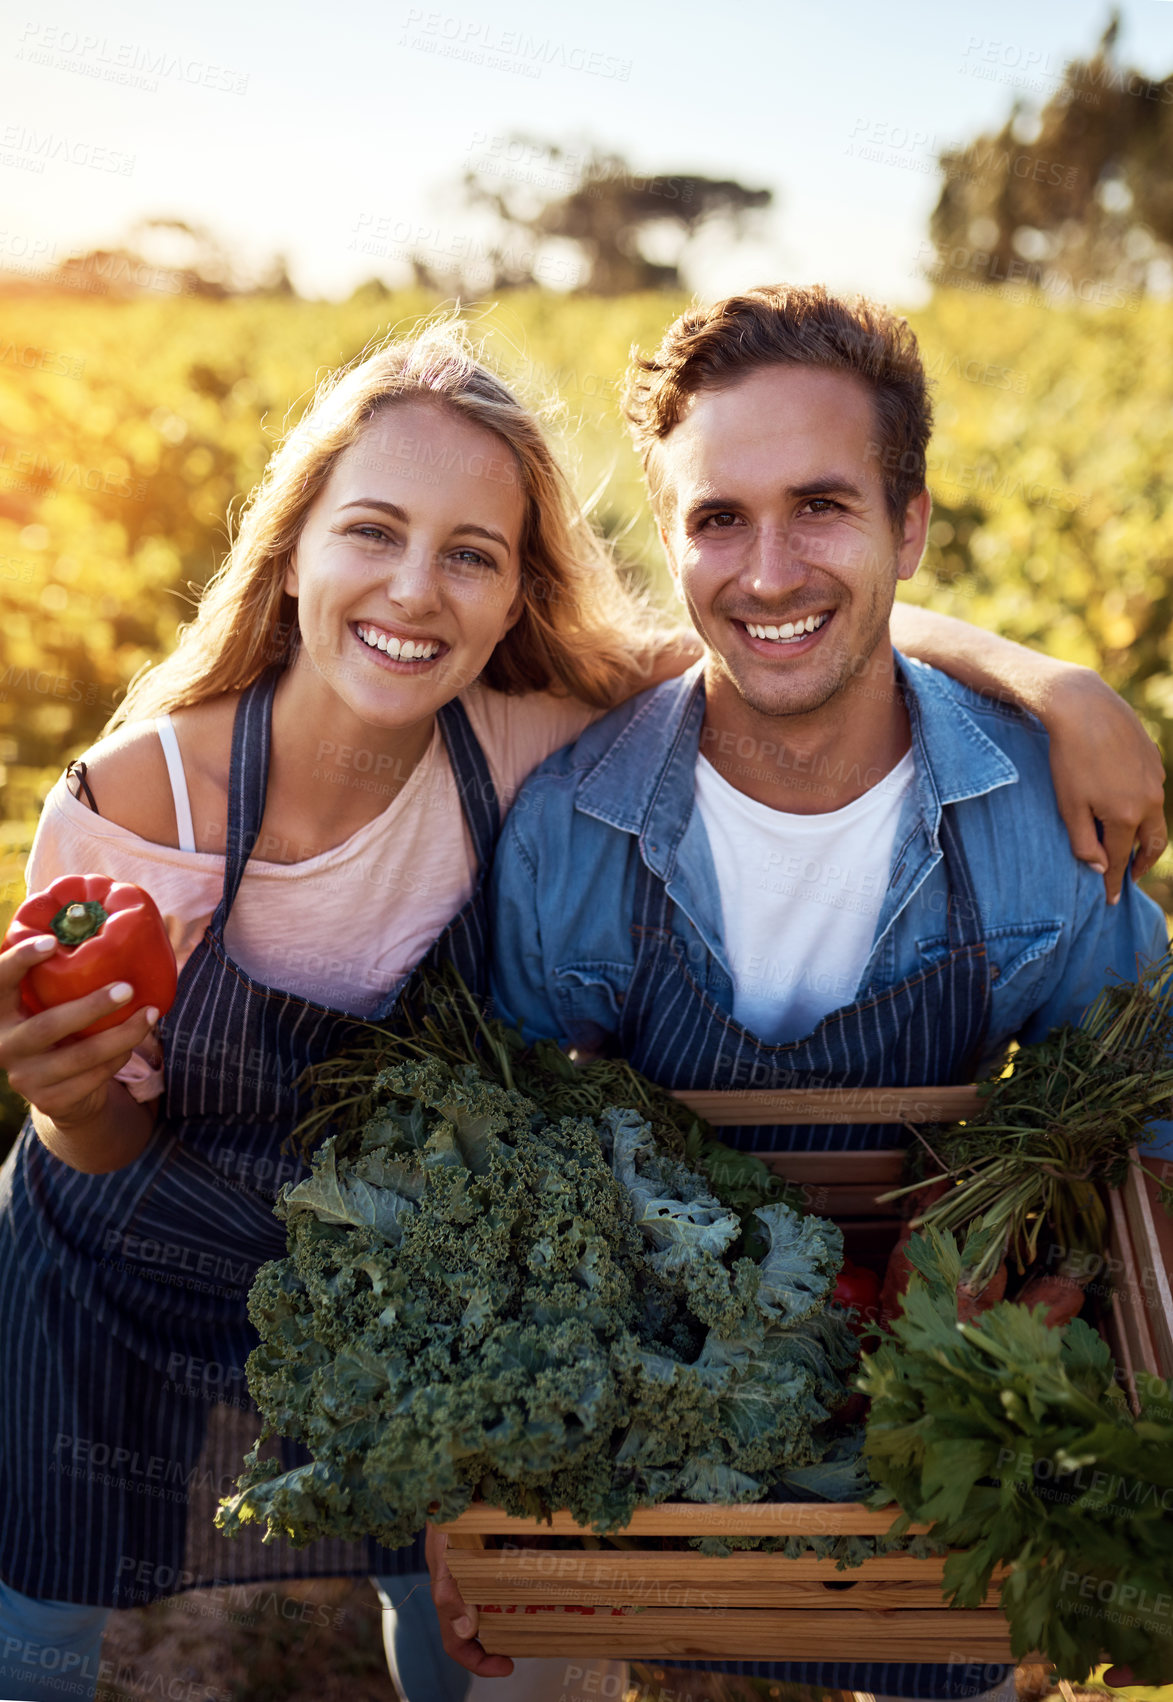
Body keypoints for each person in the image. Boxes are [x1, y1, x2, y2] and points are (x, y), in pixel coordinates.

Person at [0, 314, 1159, 1702]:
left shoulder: (537, 739)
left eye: (471, 555)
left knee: (444, 1592)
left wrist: (1055, 683)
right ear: (293, 544)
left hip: (468, 1276)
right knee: (43, 1610)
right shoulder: (186, 803)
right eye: (370, 531)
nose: (416, 590)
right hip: (132, 1252)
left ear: (512, 599)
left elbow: (780, 621)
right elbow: (151, 1139)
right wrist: (69, 1107)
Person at [426, 285, 1170, 1702]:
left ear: (911, 528)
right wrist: (479, 1478)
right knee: (527, 1661)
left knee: (951, 1650)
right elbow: (489, 1147)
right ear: (671, 539)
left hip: (925, 1414)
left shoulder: (1032, 821)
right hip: (637, 1433)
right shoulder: (577, 830)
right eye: (716, 517)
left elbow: (1155, 1084)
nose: (765, 570)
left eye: (820, 504)